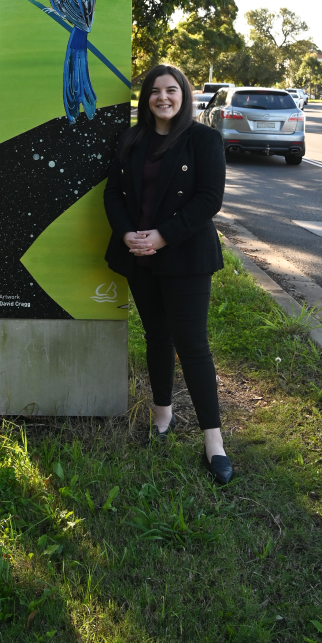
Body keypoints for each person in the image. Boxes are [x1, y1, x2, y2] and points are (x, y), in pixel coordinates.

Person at [104, 64, 232, 484]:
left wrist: (162, 236)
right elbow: (114, 193)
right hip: (139, 255)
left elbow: (209, 199)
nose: (162, 97)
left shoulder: (203, 139)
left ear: (184, 95)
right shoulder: (132, 139)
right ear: (146, 98)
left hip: (185, 257)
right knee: (156, 336)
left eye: (171, 90)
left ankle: (213, 441)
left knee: (192, 344)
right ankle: (163, 414)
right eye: (155, 91)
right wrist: (126, 234)